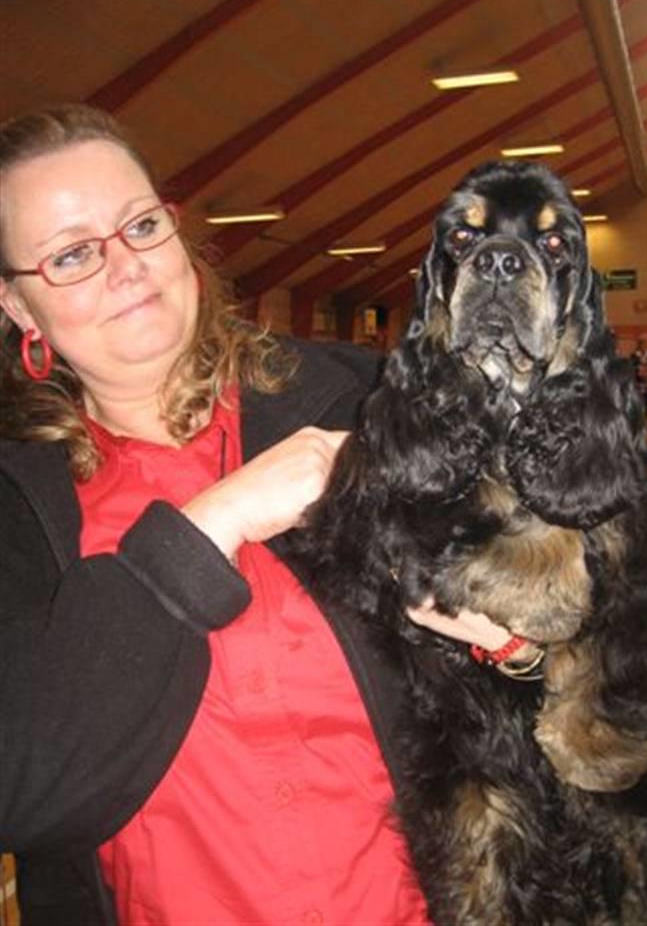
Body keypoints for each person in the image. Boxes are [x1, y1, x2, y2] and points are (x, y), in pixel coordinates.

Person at [0, 104, 509, 926]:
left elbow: (557, 633)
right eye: (71, 255)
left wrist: (519, 645)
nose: (124, 266)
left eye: (139, 227)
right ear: (20, 308)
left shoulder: (367, 403)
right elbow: (22, 789)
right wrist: (211, 527)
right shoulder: (17, 512)